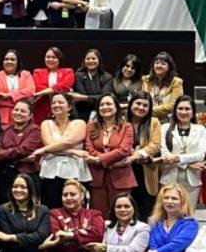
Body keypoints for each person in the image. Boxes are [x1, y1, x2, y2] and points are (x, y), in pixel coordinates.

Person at [39, 179, 105, 252]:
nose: (68, 198)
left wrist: (70, 235)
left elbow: (98, 234)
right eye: (65, 195)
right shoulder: (53, 214)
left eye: (73, 194)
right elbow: (56, 239)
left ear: (82, 196)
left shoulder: (94, 214)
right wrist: (87, 242)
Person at [0, 99, 42, 205]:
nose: (18, 113)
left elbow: (23, 149)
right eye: (16, 110)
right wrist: (21, 159)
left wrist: (0, 156)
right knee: (4, 206)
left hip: (27, 175)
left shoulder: (35, 130)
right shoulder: (4, 129)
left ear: (30, 115)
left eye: (23, 111)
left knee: (27, 206)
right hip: (5, 175)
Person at [31, 92, 91, 208]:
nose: (56, 105)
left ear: (69, 106)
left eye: (60, 102)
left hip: (75, 171)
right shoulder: (46, 123)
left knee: (75, 207)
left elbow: (68, 142)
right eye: (53, 103)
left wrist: (44, 150)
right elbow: (49, 144)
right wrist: (72, 152)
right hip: (50, 171)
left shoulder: (80, 123)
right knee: (51, 207)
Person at [137, 183, 198, 252]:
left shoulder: (190, 223)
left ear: (183, 202)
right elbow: (153, 245)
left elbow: (176, 245)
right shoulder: (154, 222)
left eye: (174, 198)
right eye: (166, 198)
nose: (169, 201)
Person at [83, 93, 136, 215]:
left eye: (108, 104)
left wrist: (98, 160)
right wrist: (105, 160)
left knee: (121, 215)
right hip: (97, 178)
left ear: (116, 107)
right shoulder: (91, 126)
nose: (105, 107)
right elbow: (89, 148)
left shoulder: (127, 126)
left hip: (121, 178)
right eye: (101, 105)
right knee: (99, 215)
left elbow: (124, 150)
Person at [159, 95, 206, 205]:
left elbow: (200, 155)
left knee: (188, 213)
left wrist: (177, 157)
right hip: (168, 178)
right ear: (175, 111)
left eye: (187, 109)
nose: (183, 112)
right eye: (180, 108)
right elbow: (165, 155)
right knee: (168, 212)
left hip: (192, 182)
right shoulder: (165, 127)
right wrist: (188, 164)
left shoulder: (201, 129)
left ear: (193, 112)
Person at [125, 92, 162, 220]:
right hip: (126, 170)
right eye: (138, 103)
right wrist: (132, 154)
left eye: (145, 105)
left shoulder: (154, 122)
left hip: (147, 170)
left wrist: (137, 155)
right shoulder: (121, 121)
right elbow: (120, 143)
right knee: (127, 208)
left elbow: (156, 145)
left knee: (146, 212)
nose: (141, 107)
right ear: (131, 104)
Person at [0, 49, 36, 128]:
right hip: (1, 117)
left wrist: (9, 96)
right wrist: (22, 99)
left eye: (12, 59)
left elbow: (31, 91)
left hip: (23, 117)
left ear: (17, 62)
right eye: (6, 59)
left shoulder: (26, 74)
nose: (9, 61)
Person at [31, 47, 74, 124]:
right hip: (41, 108)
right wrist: (57, 89)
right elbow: (38, 88)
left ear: (59, 59)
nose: (50, 59)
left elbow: (65, 86)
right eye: (48, 57)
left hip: (62, 109)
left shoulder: (68, 71)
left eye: (54, 57)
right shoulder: (37, 72)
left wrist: (43, 92)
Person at [71, 49, 114, 121]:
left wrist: (85, 98)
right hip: (81, 113)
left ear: (99, 60)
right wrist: (96, 97)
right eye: (88, 59)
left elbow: (105, 97)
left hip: (102, 112)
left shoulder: (107, 77)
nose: (90, 61)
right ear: (84, 61)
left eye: (93, 58)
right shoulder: (78, 75)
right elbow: (81, 94)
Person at [141, 51, 183, 122]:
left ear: (169, 67)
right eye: (156, 63)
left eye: (163, 64)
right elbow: (143, 100)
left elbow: (173, 106)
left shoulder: (176, 82)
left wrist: (148, 110)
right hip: (148, 120)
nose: (159, 65)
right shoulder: (146, 79)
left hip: (168, 120)